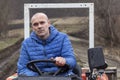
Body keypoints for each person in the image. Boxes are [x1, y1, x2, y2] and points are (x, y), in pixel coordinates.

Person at [17, 12, 77, 77]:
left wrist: (64, 61)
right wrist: (40, 78)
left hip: (60, 76)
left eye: (42, 23)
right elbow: (22, 69)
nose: (39, 26)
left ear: (48, 23)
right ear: (32, 27)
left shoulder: (63, 38)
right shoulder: (26, 43)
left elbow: (72, 61)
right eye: (35, 24)